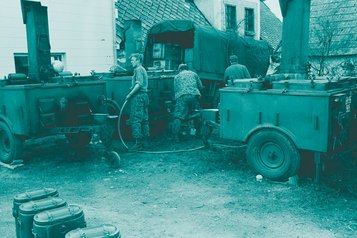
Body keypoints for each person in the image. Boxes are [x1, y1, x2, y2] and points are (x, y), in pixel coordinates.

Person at [172, 64, 203, 142]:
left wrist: (176, 99)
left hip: (182, 96)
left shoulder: (177, 76)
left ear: (180, 69)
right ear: (187, 69)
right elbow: (200, 86)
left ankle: (175, 136)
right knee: (196, 114)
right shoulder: (194, 74)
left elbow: (175, 89)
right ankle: (198, 133)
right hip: (193, 96)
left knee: (178, 116)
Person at [126, 53, 149, 150]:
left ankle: (138, 143)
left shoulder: (138, 69)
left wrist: (130, 94)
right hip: (144, 96)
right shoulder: (142, 69)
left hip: (138, 96)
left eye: (133, 60)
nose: (131, 61)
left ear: (138, 60)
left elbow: (138, 84)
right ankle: (145, 142)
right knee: (144, 119)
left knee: (136, 120)